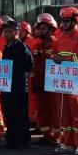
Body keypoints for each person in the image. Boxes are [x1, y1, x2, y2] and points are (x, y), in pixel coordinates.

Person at [51, 6, 78, 154]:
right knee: (64, 113)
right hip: (62, 80)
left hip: (76, 81)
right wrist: (54, 58)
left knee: (77, 112)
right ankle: (67, 142)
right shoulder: (59, 39)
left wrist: (63, 59)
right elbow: (54, 55)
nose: (64, 23)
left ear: (75, 21)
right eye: (63, 20)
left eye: (67, 20)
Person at [0, 19, 34, 149]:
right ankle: (12, 140)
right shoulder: (7, 48)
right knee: (9, 113)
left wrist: (12, 68)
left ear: (17, 32)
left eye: (9, 31)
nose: (6, 34)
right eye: (5, 31)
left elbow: (29, 66)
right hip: (7, 86)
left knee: (20, 114)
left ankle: (24, 141)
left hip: (19, 86)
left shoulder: (22, 47)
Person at [30, 13, 59, 144]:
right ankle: (46, 135)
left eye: (43, 28)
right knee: (42, 110)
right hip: (40, 83)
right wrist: (34, 83)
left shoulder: (56, 45)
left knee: (54, 110)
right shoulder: (37, 45)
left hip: (53, 85)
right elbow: (34, 66)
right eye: (39, 28)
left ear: (51, 29)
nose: (40, 31)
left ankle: (57, 136)